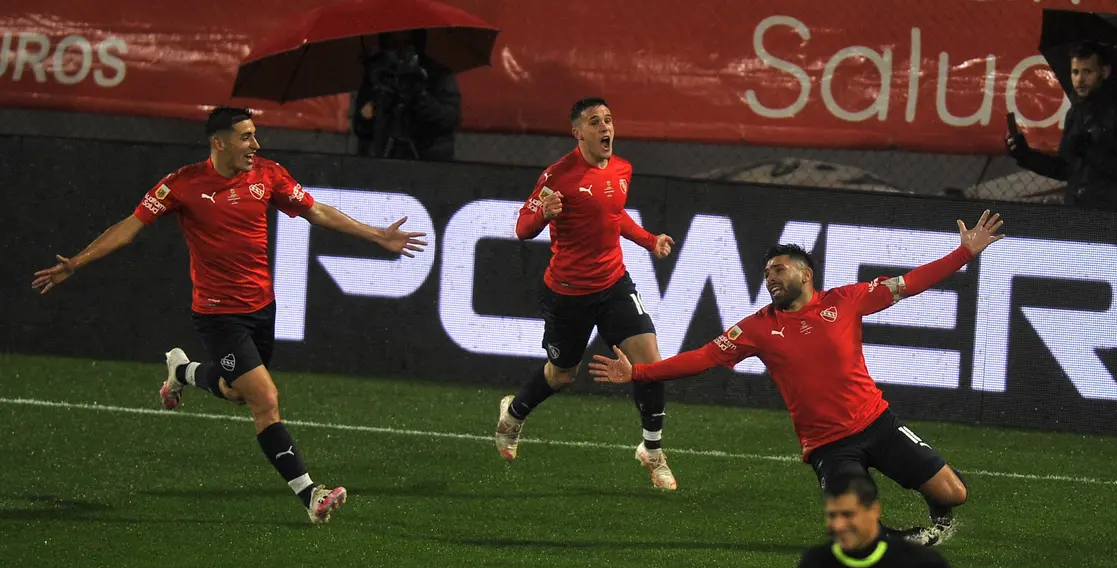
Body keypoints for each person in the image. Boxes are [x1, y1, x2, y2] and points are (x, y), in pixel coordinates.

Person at [31, 106, 428, 524]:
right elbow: (130, 227)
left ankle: (182, 372)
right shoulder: (181, 185)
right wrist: (77, 262)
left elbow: (315, 210)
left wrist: (376, 234)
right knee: (266, 400)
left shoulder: (268, 175)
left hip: (262, 308)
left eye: (255, 135)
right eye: (245, 137)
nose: (255, 145)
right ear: (219, 142)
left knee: (237, 392)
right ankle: (311, 495)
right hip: (218, 315)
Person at [590, 210, 1007, 543]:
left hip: (877, 423)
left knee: (955, 494)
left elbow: (911, 283)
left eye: (779, 270)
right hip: (828, 445)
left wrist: (964, 254)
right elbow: (703, 358)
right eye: (767, 273)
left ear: (805, 275)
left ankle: (939, 521)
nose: (770, 278)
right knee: (858, 525)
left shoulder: (846, 301)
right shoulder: (756, 328)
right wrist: (639, 371)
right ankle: (887, 543)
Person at [494, 97, 680, 490]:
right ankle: (514, 413)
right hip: (568, 294)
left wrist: (648, 241)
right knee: (562, 376)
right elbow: (523, 227)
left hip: (614, 285)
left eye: (609, 120)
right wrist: (544, 214)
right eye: (594, 122)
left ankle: (653, 450)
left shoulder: (623, 169)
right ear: (578, 133)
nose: (605, 128)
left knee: (649, 361)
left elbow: (611, 213)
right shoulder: (557, 175)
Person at [1006, 41, 1117, 212]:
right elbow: (1065, 168)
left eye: (1087, 72)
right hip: (1079, 215)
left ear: (1104, 72)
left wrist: (1090, 152)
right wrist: (1025, 154)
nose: (1079, 79)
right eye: (1075, 72)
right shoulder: (1076, 114)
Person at [788, 472, 978, 568]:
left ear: (874, 511)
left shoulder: (919, 563)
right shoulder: (815, 564)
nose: (838, 525)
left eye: (848, 515)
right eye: (832, 515)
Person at [352, 31, 461, 161]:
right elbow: (361, 124)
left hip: (428, 160)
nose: (400, 51)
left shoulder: (437, 75)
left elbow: (448, 119)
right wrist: (379, 100)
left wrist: (420, 96)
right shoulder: (378, 76)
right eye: (393, 44)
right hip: (384, 159)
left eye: (407, 44)